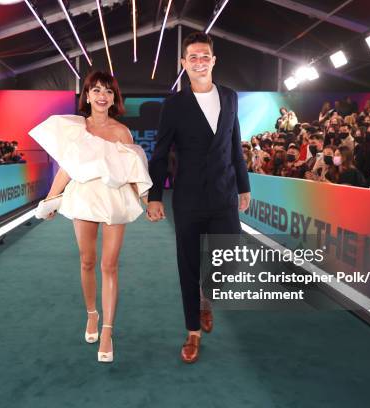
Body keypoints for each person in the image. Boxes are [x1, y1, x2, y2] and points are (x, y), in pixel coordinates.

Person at [29, 71, 152, 363]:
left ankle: (108, 331)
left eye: (108, 92)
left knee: (110, 266)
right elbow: (66, 169)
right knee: (87, 261)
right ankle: (92, 315)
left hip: (114, 199)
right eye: (96, 90)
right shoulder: (76, 128)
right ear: (86, 95)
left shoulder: (122, 132)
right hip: (83, 197)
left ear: (114, 98)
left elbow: (133, 171)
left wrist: (149, 201)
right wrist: (50, 201)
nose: (101, 96)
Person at [147, 32, 250, 364]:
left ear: (213, 60)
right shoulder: (174, 104)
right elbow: (160, 154)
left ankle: (207, 299)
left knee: (229, 256)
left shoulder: (231, 97)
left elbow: (235, 146)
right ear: (184, 64)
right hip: (188, 198)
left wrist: (244, 186)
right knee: (188, 265)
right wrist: (154, 196)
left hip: (224, 194)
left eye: (204, 56)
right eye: (192, 57)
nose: (199, 61)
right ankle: (192, 331)